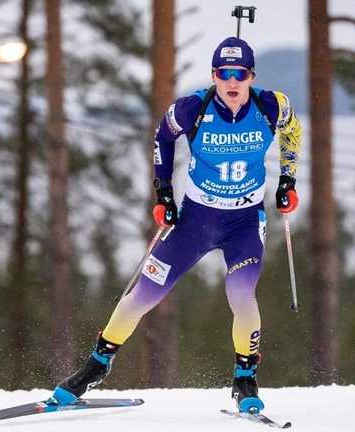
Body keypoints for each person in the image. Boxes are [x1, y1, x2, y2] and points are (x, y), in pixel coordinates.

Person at [49, 36, 302, 413]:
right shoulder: (192, 108)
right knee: (143, 294)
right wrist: (163, 194)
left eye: (240, 74)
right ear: (214, 75)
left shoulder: (271, 105)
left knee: (241, 295)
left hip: (244, 223)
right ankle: (95, 366)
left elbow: (293, 131)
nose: (232, 82)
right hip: (196, 221)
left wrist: (287, 182)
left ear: (252, 75)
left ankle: (245, 378)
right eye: (224, 74)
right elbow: (162, 138)